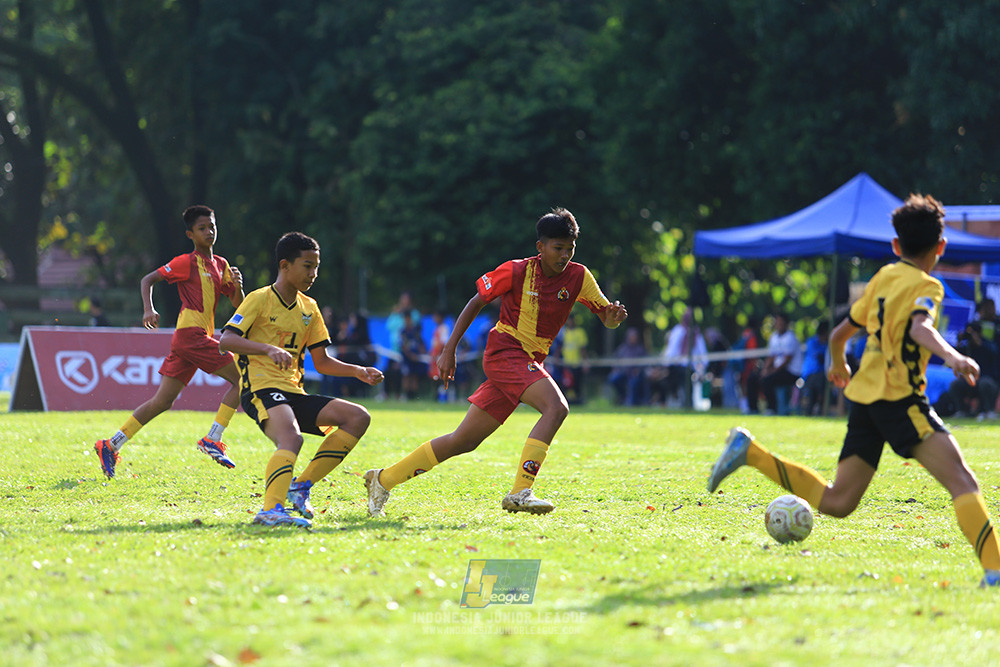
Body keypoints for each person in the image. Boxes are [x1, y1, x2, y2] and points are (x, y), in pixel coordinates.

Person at [708, 193, 1000, 587]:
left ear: (896, 246)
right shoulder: (927, 285)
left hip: (865, 399)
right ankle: (996, 571)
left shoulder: (883, 278)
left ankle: (752, 453)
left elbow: (839, 333)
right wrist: (955, 357)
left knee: (838, 502)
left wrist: (838, 361)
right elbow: (920, 328)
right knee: (963, 483)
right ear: (941, 247)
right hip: (899, 400)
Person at [363, 208, 627, 517]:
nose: (565, 254)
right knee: (556, 408)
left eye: (571, 248)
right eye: (558, 248)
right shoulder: (516, 271)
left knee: (463, 441)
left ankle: (382, 480)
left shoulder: (580, 276)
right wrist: (449, 349)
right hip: (505, 353)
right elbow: (476, 302)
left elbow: (607, 318)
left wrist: (613, 318)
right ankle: (520, 492)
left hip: (525, 362)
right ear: (540, 247)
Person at [219, 232, 383, 528]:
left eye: (316, 266)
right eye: (307, 266)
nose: (313, 273)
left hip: (294, 392)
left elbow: (322, 362)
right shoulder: (259, 299)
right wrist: (267, 349)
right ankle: (270, 509)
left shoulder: (310, 308)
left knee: (357, 417)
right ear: (285, 265)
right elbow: (226, 340)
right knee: (291, 438)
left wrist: (357, 371)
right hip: (261, 388)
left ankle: (301, 485)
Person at [93, 205, 245, 479]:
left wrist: (238, 286)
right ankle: (213, 438)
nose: (209, 232)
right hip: (192, 336)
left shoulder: (221, 265)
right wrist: (148, 309)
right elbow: (148, 279)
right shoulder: (186, 262)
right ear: (190, 234)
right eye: (202, 228)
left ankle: (111, 444)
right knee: (242, 379)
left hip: (192, 339)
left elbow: (238, 307)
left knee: (162, 401)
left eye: (212, 226)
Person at [934, 320, 999, 420]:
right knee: (956, 384)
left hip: (988, 381)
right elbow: (954, 356)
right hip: (970, 381)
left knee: (985, 383)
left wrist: (979, 343)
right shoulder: (967, 347)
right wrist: (959, 342)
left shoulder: (988, 345)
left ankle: (989, 411)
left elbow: (993, 353)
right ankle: (962, 411)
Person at [759, 313, 802, 415]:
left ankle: (772, 409)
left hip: (792, 372)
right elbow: (771, 356)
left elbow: (787, 360)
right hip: (779, 370)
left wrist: (771, 371)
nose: (779, 325)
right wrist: (765, 369)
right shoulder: (773, 337)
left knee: (768, 380)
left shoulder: (791, 338)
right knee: (754, 378)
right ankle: (752, 408)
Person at [606, 327, 648, 406]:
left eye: (634, 336)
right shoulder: (622, 348)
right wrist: (615, 369)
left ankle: (630, 404)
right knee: (613, 379)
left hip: (635, 374)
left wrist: (638, 370)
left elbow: (645, 363)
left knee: (633, 383)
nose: (633, 338)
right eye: (631, 336)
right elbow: (616, 360)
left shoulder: (640, 349)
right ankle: (622, 395)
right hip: (623, 372)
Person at [797, 320, 830, 416]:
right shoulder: (812, 342)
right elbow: (819, 358)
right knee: (814, 384)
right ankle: (810, 410)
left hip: (821, 375)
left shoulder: (828, 344)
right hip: (810, 374)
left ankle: (818, 409)